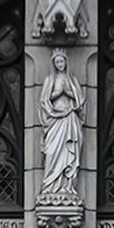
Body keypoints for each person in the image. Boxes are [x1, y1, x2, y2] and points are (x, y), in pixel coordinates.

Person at [38, 48, 85, 199]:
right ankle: (51, 186)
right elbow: (44, 100)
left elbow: (80, 100)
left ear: (66, 62)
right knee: (52, 152)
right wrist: (58, 93)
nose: (60, 64)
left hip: (69, 117)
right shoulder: (50, 80)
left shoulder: (72, 80)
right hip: (55, 118)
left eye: (62, 61)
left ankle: (67, 186)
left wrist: (68, 93)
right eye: (57, 62)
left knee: (68, 150)